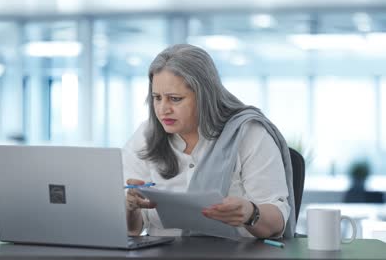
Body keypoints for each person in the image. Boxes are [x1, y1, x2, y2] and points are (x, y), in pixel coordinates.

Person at [122, 44, 295, 239]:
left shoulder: (248, 133)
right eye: (157, 98)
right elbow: (133, 230)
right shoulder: (145, 135)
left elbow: (277, 223)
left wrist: (250, 213)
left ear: (205, 96)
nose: (163, 109)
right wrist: (130, 208)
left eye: (175, 99)